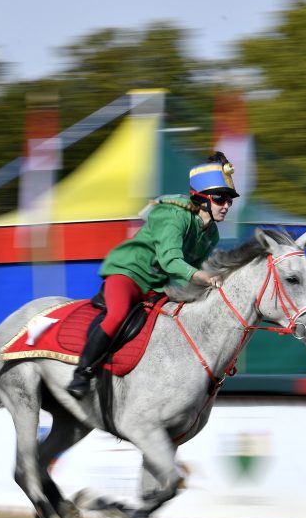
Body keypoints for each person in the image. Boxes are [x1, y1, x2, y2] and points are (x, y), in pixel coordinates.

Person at [66, 152, 240, 399]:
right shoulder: (173, 215)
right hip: (128, 274)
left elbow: (189, 272)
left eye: (229, 200)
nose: (226, 206)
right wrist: (206, 278)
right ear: (202, 198)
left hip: (157, 286)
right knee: (117, 315)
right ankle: (82, 374)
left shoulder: (212, 234)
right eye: (220, 199)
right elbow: (171, 261)